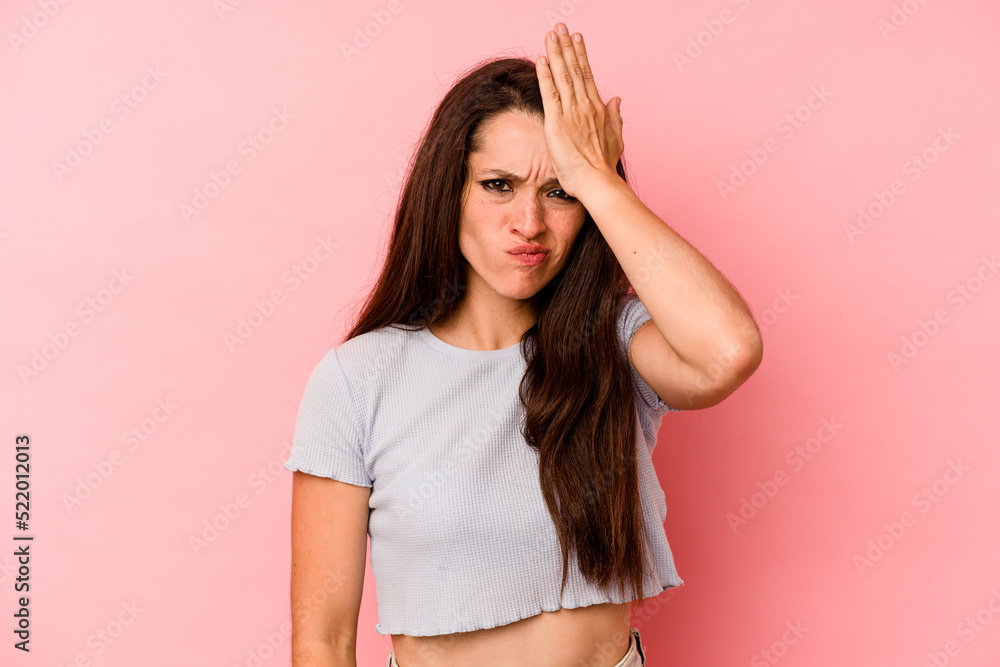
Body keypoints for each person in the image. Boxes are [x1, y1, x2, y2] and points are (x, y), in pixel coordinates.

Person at [284, 22, 763, 667]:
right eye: (498, 185)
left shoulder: (614, 342)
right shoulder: (358, 379)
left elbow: (727, 352)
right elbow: (323, 640)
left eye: (558, 191)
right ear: (448, 191)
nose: (529, 223)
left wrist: (598, 178)